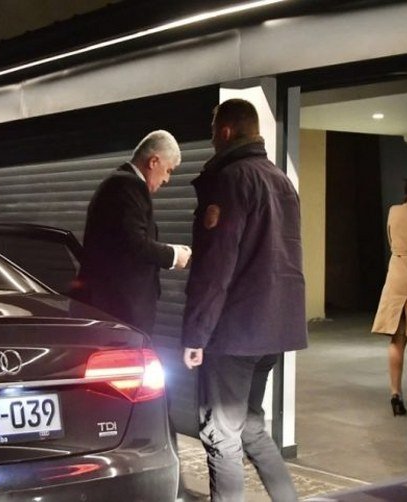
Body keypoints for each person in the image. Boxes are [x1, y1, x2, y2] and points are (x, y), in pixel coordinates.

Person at [182, 99, 307, 502]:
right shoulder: (281, 180)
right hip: (273, 329)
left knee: (221, 434)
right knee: (250, 426)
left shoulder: (231, 180)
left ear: (225, 131)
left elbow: (215, 268)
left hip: (235, 332)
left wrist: (196, 334)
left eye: (212, 131)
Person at [77, 129, 191, 333]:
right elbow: (134, 243)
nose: (167, 179)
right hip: (121, 311)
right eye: (168, 170)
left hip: (116, 308)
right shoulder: (127, 185)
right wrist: (174, 256)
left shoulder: (120, 184)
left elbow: (127, 238)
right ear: (153, 162)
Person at [372, 173, 407, 416]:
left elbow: (391, 239)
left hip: (398, 273)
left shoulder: (394, 212)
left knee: (397, 340)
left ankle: (395, 393)